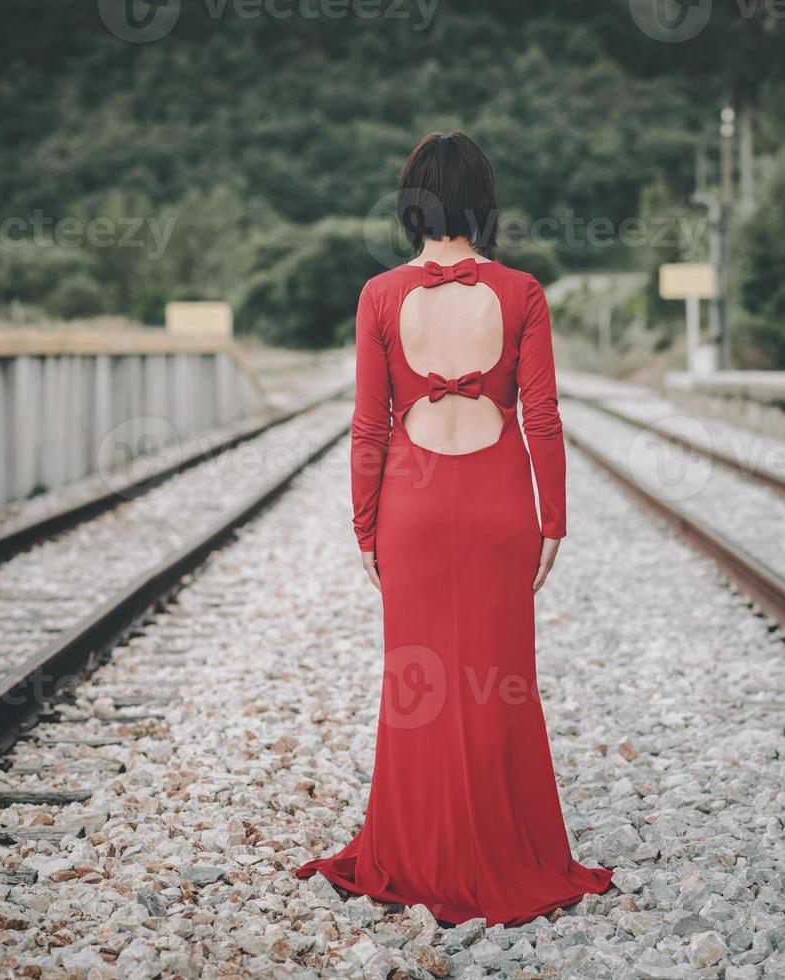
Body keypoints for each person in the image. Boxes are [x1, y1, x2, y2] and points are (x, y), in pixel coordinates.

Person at [295, 131, 614, 926]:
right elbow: (541, 415)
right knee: (502, 682)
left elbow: (369, 427)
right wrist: (554, 520)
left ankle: (417, 851)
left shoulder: (378, 296)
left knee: (415, 685)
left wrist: (364, 527)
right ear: (483, 202)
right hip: (501, 503)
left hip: (413, 506)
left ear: (412, 204)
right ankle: (505, 854)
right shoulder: (522, 293)